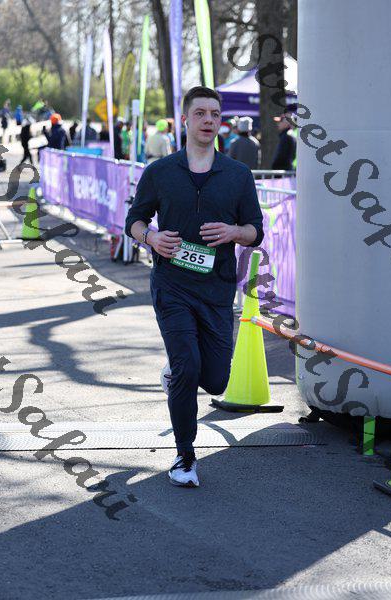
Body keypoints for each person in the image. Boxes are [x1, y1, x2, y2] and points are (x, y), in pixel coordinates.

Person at [125, 86, 263, 487]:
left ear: (221, 122)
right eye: (200, 113)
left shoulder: (237, 175)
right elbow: (134, 220)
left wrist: (234, 232)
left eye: (215, 114)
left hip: (217, 289)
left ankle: (176, 373)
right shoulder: (160, 172)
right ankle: (185, 456)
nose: (208, 120)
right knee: (188, 365)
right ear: (184, 119)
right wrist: (151, 237)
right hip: (172, 285)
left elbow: (256, 231)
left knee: (216, 379)